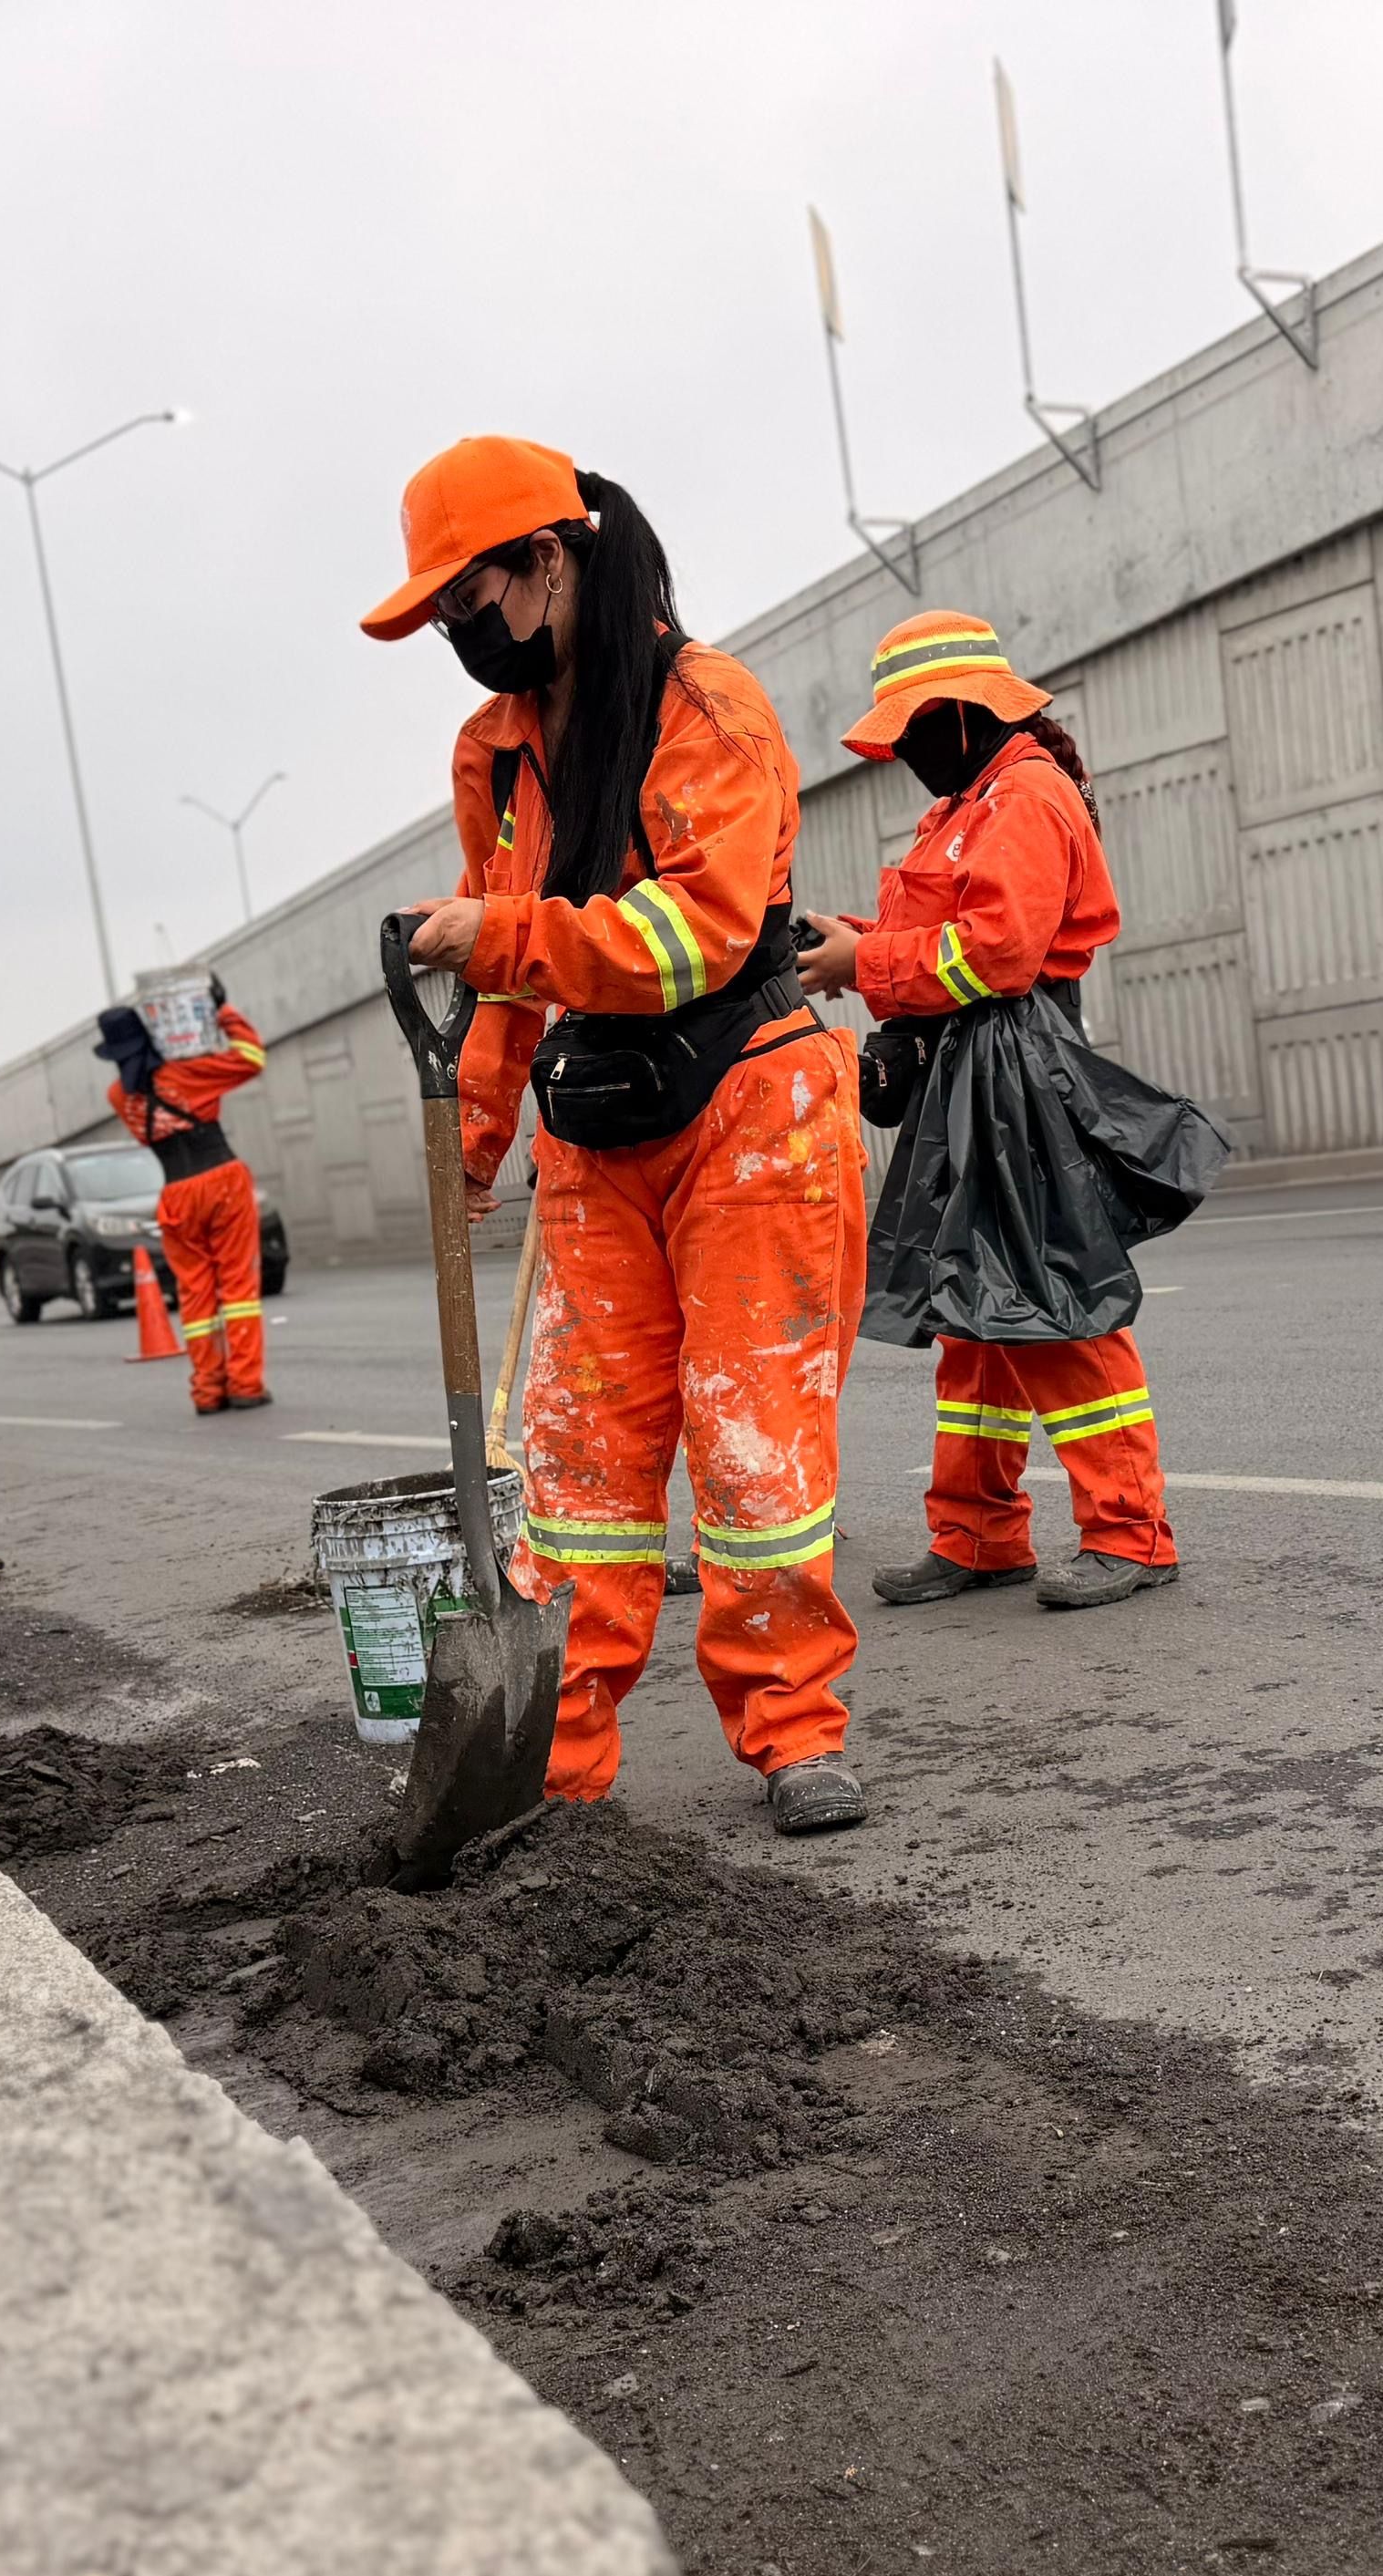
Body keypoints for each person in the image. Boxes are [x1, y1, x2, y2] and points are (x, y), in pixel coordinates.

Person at [368, 434, 867, 1836]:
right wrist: (472, 1139)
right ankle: (552, 1761)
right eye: (440, 624)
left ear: (549, 562)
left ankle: (793, 1729)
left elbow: (697, 934)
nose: (461, 642)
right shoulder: (497, 752)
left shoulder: (704, 706)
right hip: (593, 1127)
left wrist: (507, 936)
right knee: (577, 1468)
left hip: (750, 1111)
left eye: (469, 606)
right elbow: (499, 979)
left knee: (754, 1446)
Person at [797, 610, 1180, 1610]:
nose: (906, 750)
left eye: (915, 727)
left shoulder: (1024, 796)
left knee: (1057, 1304)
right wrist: (853, 943)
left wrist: (863, 963)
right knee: (972, 1311)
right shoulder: (970, 801)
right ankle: (975, 1535)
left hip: (1014, 1064)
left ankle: (1130, 1534)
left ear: (962, 713)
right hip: (971, 1070)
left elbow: (996, 954)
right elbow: (937, 931)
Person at [94, 987, 271, 1411]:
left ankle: (207, 1390)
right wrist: (221, 1009)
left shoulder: (118, 1097)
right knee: (238, 1286)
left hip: (175, 1194)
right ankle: (245, 1385)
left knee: (194, 1293)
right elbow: (252, 1056)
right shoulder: (184, 1074)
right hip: (221, 1181)